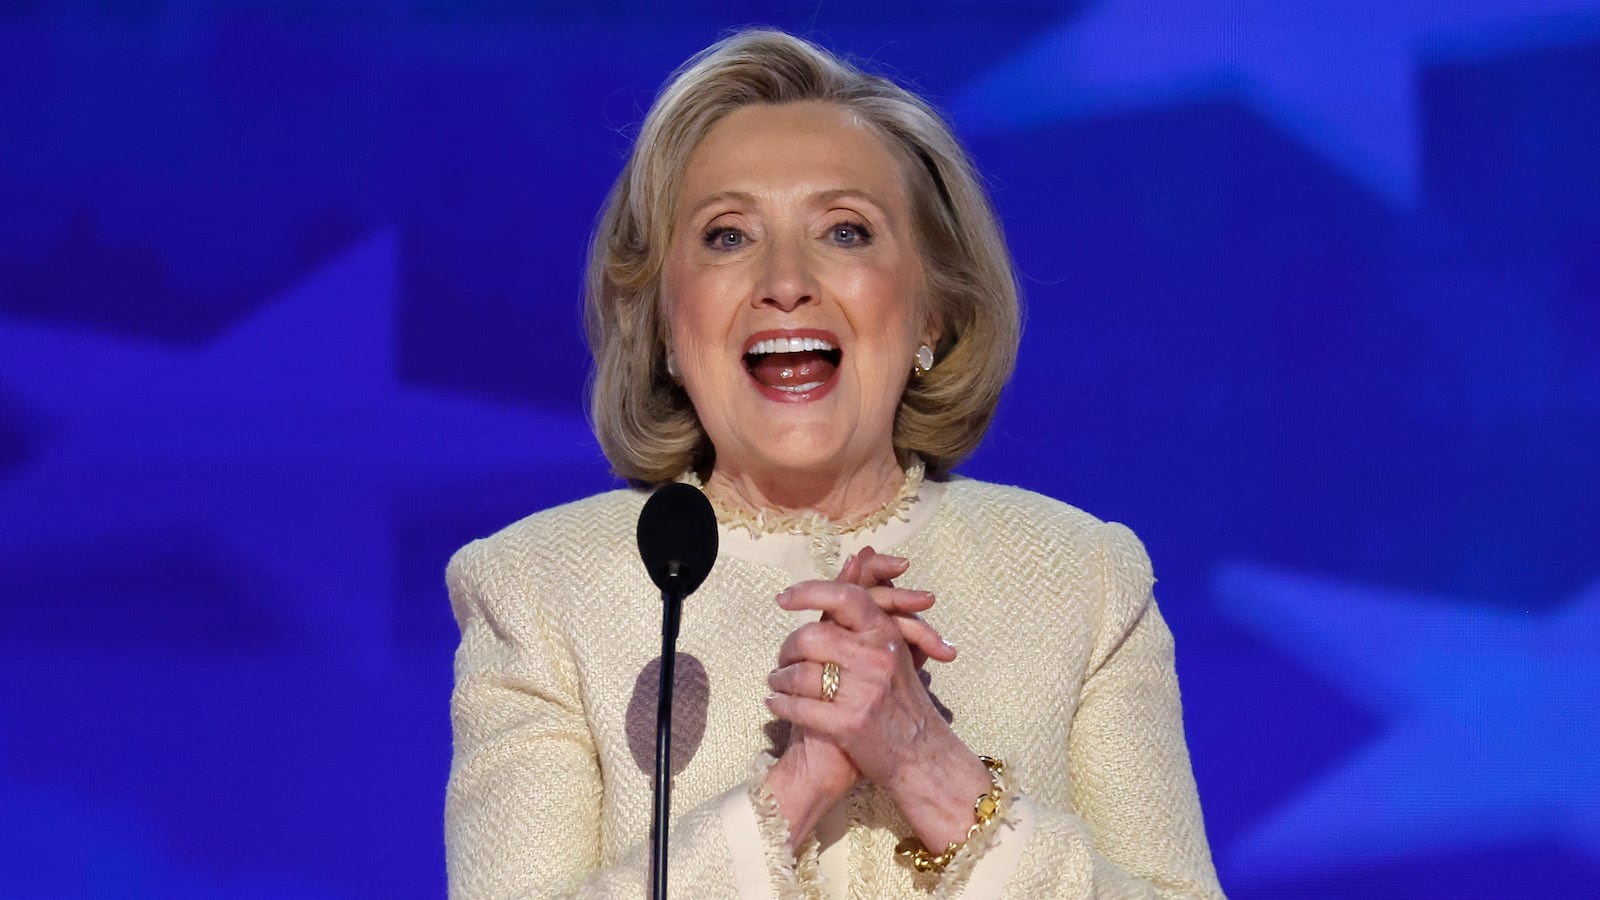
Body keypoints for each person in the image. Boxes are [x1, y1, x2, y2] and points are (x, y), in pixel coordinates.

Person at [445, 28, 1224, 899]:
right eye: (728, 237)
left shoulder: (1085, 582)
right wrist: (795, 788)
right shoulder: (539, 591)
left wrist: (926, 764)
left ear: (933, 310)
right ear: (664, 323)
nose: (785, 279)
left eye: (845, 231)